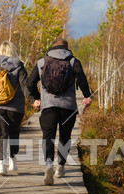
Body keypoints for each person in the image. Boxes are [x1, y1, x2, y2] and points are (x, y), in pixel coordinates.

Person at [27, 38, 92, 185]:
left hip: (48, 107)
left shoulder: (42, 62)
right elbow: (82, 79)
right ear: (67, 48)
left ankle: (48, 163)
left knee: (48, 136)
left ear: (52, 47)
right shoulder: (74, 61)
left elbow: (30, 83)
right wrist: (87, 96)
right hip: (68, 108)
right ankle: (60, 166)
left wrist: (36, 99)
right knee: (65, 137)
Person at [0, 41, 32, 176]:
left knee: (0, 134)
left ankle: (0, 165)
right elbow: (25, 85)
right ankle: (13, 160)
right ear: (13, 51)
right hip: (16, 108)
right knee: (14, 133)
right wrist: (33, 100)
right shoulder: (19, 65)